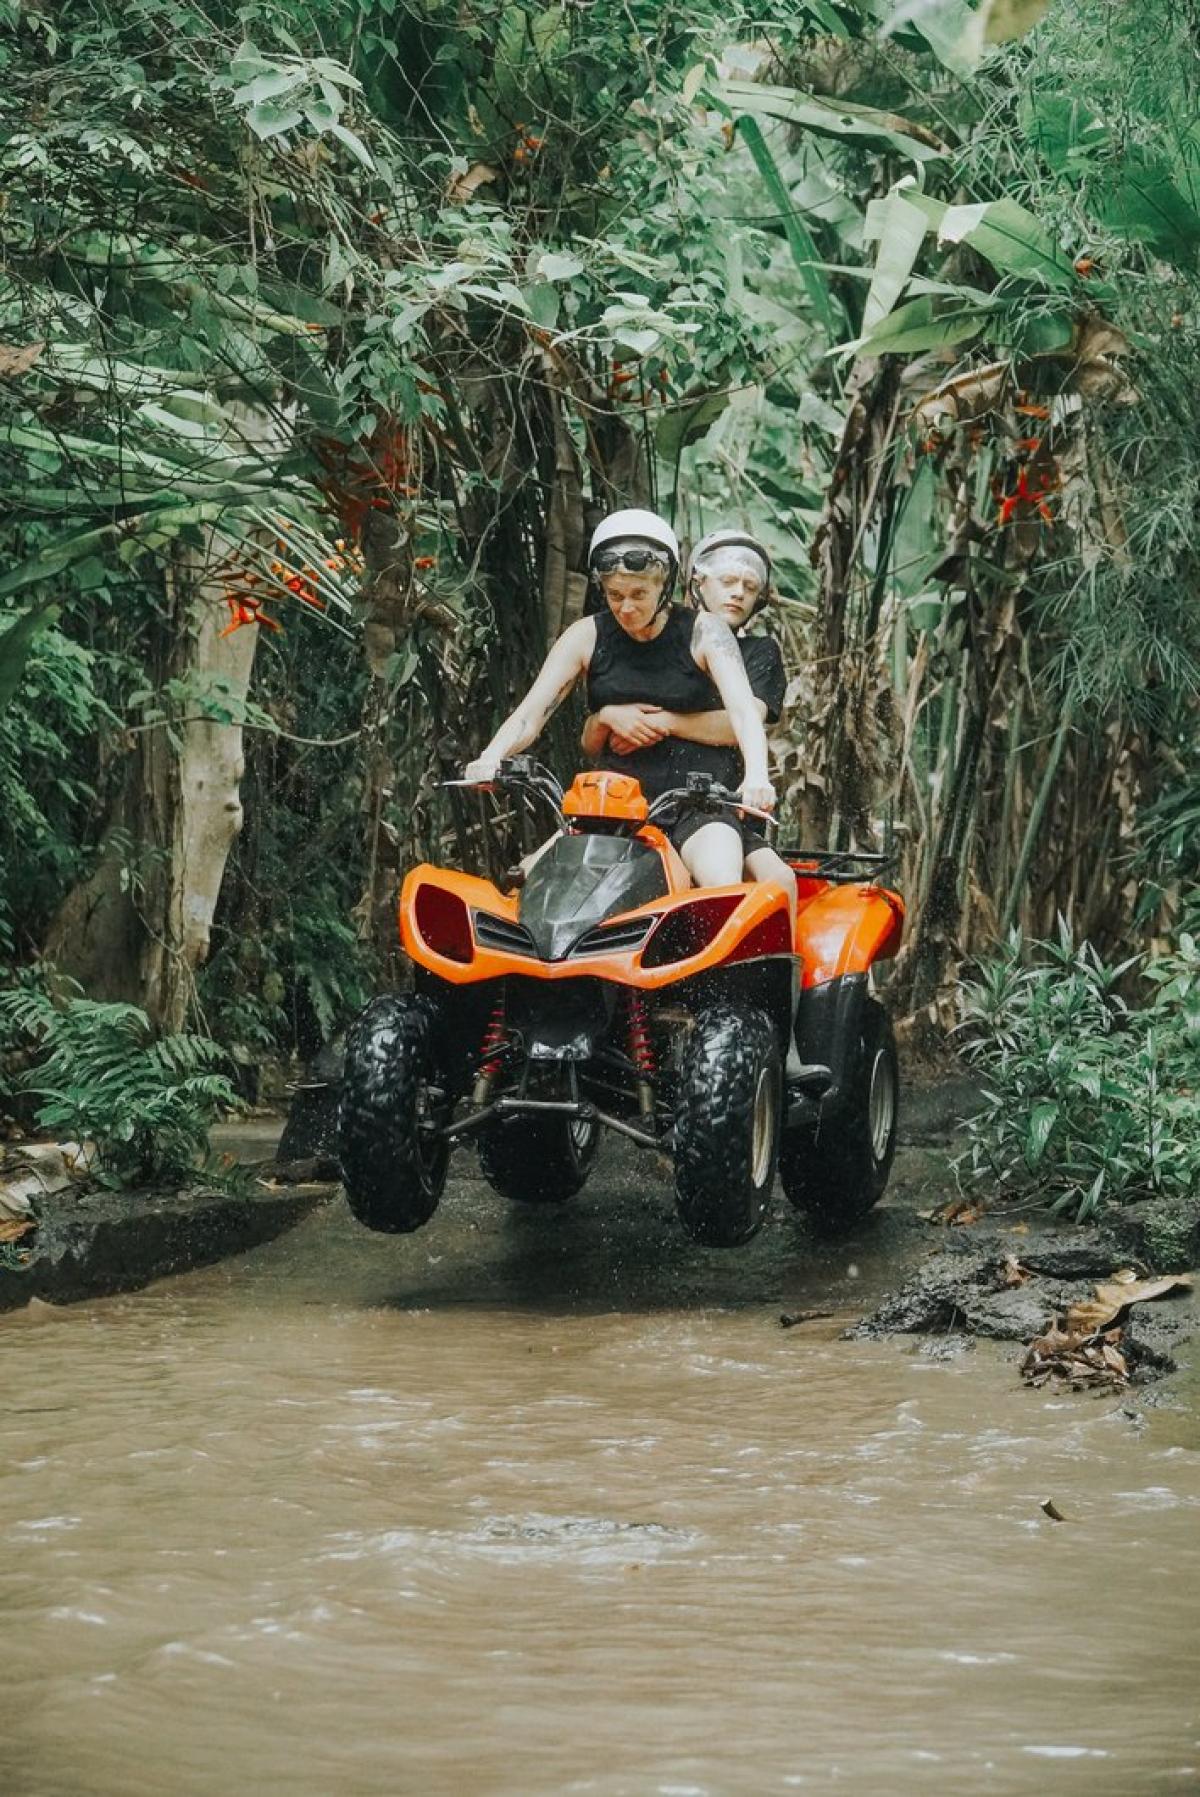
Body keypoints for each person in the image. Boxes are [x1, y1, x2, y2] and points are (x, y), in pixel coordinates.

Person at [462, 509, 774, 888]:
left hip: (700, 802)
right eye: (615, 595)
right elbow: (531, 713)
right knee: (529, 881)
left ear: (665, 586)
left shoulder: (705, 631)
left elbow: (743, 713)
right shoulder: (585, 635)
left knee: (721, 882)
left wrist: (757, 775)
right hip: (611, 805)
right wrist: (491, 756)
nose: (626, 608)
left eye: (639, 594)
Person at [583, 529, 798, 920]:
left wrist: (664, 722)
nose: (737, 593)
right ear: (697, 583)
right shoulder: (668, 637)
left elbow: (741, 721)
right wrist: (606, 718)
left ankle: (770, 977)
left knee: (778, 880)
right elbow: (601, 731)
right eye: (728, 582)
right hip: (636, 794)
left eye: (749, 587)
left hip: (713, 801)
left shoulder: (757, 652)